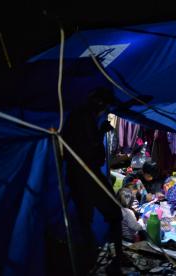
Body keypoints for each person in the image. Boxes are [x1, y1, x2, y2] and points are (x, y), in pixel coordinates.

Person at [61, 87, 123, 274]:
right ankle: (112, 258)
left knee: (86, 217)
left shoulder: (81, 116)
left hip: (80, 173)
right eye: (104, 108)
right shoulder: (83, 117)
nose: (104, 112)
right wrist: (101, 131)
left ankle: (92, 257)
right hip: (86, 173)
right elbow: (87, 148)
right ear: (99, 103)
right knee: (113, 213)